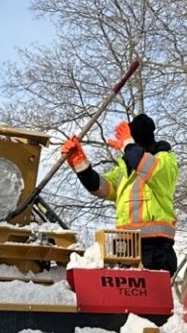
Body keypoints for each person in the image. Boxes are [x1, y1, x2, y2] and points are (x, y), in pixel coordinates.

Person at [59, 113, 179, 274]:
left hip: (155, 249)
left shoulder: (165, 160)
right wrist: (80, 164)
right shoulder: (125, 169)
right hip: (126, 249)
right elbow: (101, 187)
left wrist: (128, 145)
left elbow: (144, 164)